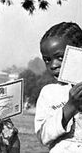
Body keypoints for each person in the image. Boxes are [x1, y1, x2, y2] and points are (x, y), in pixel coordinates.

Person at [35, 22, 82, 152]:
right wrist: (70, 107)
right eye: (47, 60)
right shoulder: (49, 93)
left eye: (60, 57)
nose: (53, 65)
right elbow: (43, 136)